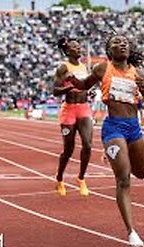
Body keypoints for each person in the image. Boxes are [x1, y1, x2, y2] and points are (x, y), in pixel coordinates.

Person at [68, 35, 144, 247]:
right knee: (124, 179)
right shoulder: (102, 69)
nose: (123, 44)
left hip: (134, 128)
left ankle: (117, 155)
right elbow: (84, 84)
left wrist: (143, 88)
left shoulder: (138, 73)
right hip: (114, 127)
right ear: (109, 51)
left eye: (125, 41)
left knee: (141, 173)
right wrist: (70, 80)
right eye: (116, 42)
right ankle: (131, 232)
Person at [52, 37, 92, 196]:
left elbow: (85, 87)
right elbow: (55, 91)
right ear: (68, 51)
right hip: (69, 110)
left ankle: (81, 178)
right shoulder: (63, 68)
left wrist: (89, 92)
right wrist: (69, 87)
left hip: (84, 109)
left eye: (79, 46)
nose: (79, 48)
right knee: (68, 150)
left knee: (88, 145)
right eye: (75, 47)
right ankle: (59, 178)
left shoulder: (83, 67)